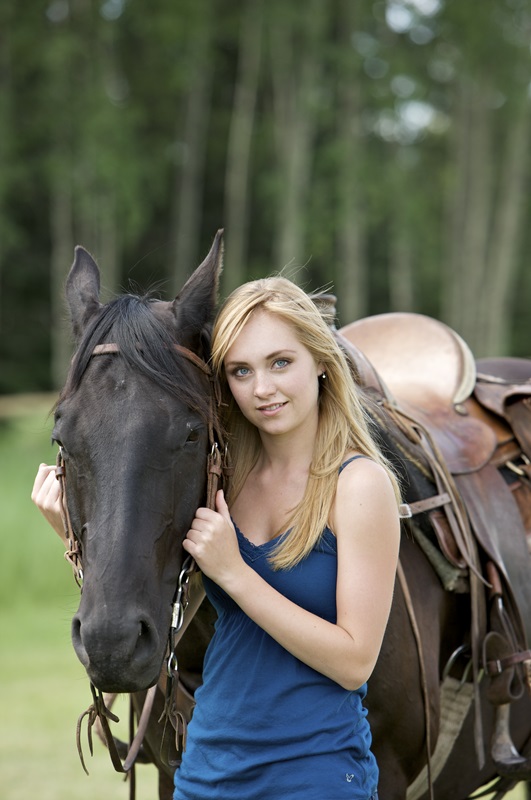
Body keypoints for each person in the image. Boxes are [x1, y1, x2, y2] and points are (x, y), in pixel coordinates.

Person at [32, 275, 401, 800]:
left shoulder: (359, 486)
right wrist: (72, 534)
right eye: (241, 371)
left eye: (281, 362)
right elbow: (144, 563)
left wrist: (235, 574)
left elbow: (354, 660)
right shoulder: (225, 482)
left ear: (320, 360)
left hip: (314, 774)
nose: (263, 389)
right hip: (209, 771)